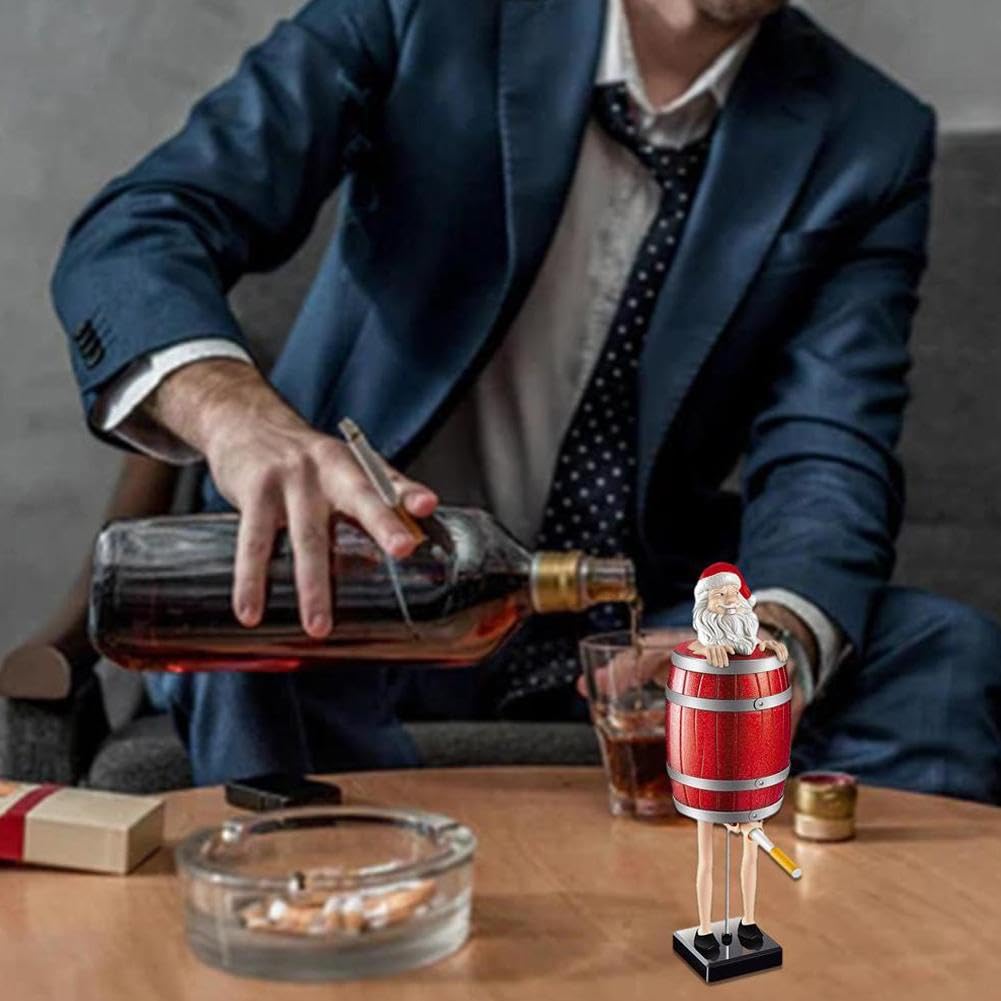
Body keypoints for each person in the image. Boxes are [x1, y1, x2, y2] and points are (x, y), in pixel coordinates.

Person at [51, 0, 1001, 795]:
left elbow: (828, 443)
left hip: (632, 616)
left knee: (939, 656)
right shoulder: (426, 12)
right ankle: (336, 911)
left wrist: (767, 643)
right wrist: (237, 417)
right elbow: (145, 224)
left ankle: (847, 939)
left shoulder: (867, 135)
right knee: (257, 622)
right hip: (367, 584)